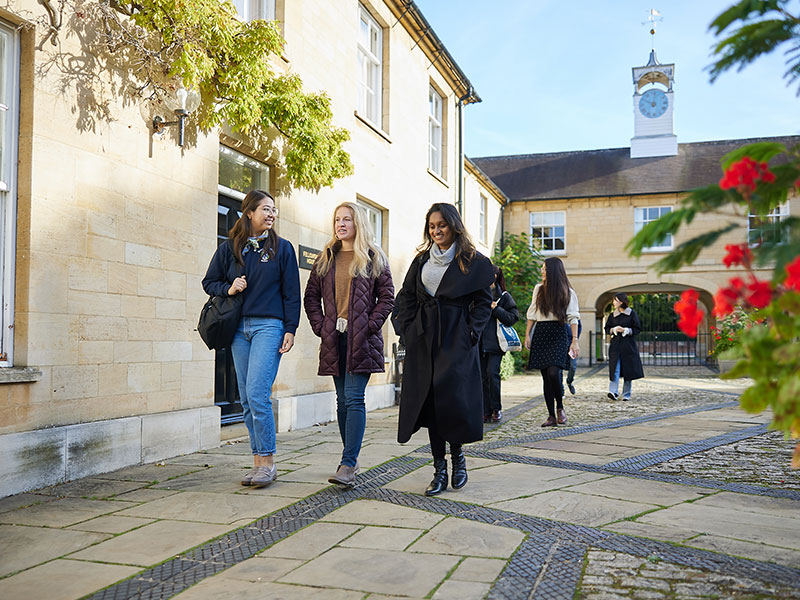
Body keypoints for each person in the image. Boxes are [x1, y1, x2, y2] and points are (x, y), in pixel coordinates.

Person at [392, 203, 494, 496]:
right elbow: (407, 296)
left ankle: (458, 458)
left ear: (454, 226)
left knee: (453, 401)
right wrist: (407, 329)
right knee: (431, 404)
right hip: (424, 340)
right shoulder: (421, 260)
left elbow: (483, 303)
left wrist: (470, 333)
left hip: (456, 340)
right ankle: (439, 469)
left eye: (441, 225)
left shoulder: (472, 261)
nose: (436, 231)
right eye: (432, 226)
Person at [202, 190, 300, 487]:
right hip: (238, 330)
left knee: (258, 394)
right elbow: (209, 282)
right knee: (246, 398)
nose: (271, 214)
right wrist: (230, 288)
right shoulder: (231, 249)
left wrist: (290, 329)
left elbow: (292, 294)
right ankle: (257, 460)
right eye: (266, 209)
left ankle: (268, 462)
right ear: (249, 213)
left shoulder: (282, 249)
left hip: (269, 327)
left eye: (274, 210)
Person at [304, 202, 394, 488]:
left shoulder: (372, 257)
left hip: (362, 340)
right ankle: (349, 459)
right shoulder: (326, 257)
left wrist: (368, 325)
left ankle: (348, 463)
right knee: (341, 402)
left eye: (347, 219)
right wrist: (321, 326)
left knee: (354, 398)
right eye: (337, 220)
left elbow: (387, 297)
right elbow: (311, 298)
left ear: (359, 224)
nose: (340, 224)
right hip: (334, 339)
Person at [524, 257, 579, 427]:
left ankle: (560, 408)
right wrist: (527, 335)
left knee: (554, 373)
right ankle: (551, 416)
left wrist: (574, 341)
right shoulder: (538, 289)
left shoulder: (568, 292)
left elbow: (573, 317)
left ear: (553, 271)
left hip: (559, 333)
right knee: (545, 377)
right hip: (541, 333)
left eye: (545, 268)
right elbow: (532, 314)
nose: (542, 271)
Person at [480, 266, 519, 423]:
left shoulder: (503, 296)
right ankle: (485, 411)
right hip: (479, 343)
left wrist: (497, 310)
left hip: (496, 343)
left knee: (492, 374)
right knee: (482, 378)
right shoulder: (478, 294)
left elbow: (513, 318)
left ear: (495, 276)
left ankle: (496, 409)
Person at [605, 292, 644, 400]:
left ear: (621, 302)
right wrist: (614, 329)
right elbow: (607, 328)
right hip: (615, 346)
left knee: (628, 370)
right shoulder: (612, 315)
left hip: (628, 346)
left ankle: (626, 394)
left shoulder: (632, 314)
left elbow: (637, 329)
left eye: (615, 300)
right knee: (614, 369)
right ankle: (613, 392)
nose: (613, 302)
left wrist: (625, 330)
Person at [562, 319, 582, 395]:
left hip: (571, 344)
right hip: (560, 343)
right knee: (558, 368)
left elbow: (579, 326)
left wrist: (575, 339)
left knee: (573, 366)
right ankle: (561, 390)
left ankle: (569, 382)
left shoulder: (574, 313)